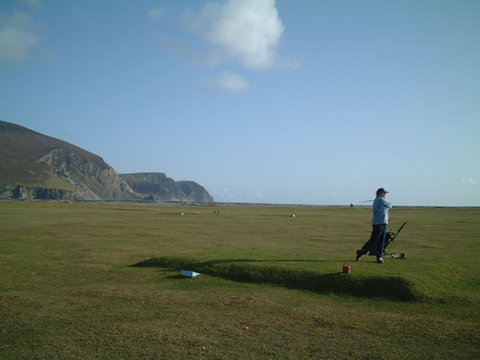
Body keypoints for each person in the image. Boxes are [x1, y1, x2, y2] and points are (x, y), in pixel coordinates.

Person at [356, 188, 392, 263]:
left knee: (381, 240)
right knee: (374, 240)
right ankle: (361, 252)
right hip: (378, 223)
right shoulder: (380, 200)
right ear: (380, 193)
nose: (385, 194)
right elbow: (390, 205)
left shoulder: (379, 200)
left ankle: (379, 256)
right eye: (384, 193)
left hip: (383, 222)